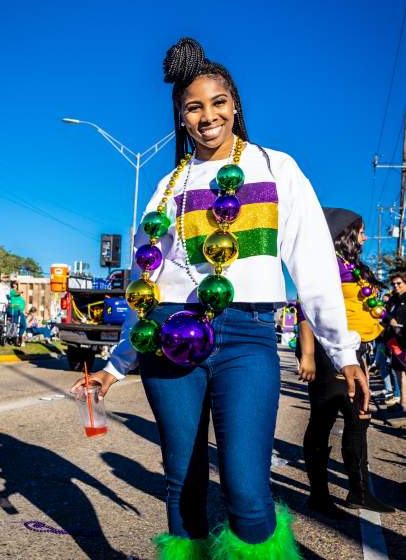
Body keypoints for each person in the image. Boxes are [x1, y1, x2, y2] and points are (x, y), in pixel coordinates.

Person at [72, 38, 369, 560]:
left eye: (217, 103)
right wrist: (114, 367)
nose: (207, 116)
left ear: (235, 106)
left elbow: (314, 265)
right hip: (169, 335)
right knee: (181, 482)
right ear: (181, 117)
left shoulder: (276, 169)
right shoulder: (168, 185)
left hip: (246, 338)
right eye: (193, 106)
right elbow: (146, 286)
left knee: (246, 490)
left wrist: (342, 352)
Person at [297, 209, 394, 517]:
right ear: (346, 233)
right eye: (361, 231)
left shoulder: (352, 266)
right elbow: (306, 309)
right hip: (329, 356)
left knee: (359, 418)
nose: (365, 237)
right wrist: (308, 355)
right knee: (324, 419)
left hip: (355, 353)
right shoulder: (327, 266)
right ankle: (319, 495)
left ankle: (359, 491)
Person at [383, 271, 406, 423]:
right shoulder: (393, 299)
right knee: (398, 371)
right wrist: (390, 319)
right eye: (394, 284)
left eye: (399, 283)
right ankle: (402, 403)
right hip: (393, 340)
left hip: (404, 339)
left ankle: (404, 405)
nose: (396, 286)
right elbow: (384, 314)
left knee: (404, 372)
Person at [7, 282, 27, 346]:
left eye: (16, 284)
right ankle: (15, 339)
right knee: (16, 324)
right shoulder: (12, 291)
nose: (15, 285)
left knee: (23, 325)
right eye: (14, 284)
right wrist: (20, 290)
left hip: (20, 311)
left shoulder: (18, 294)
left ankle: (19, 338)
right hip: (15, 310)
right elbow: (17, 293)